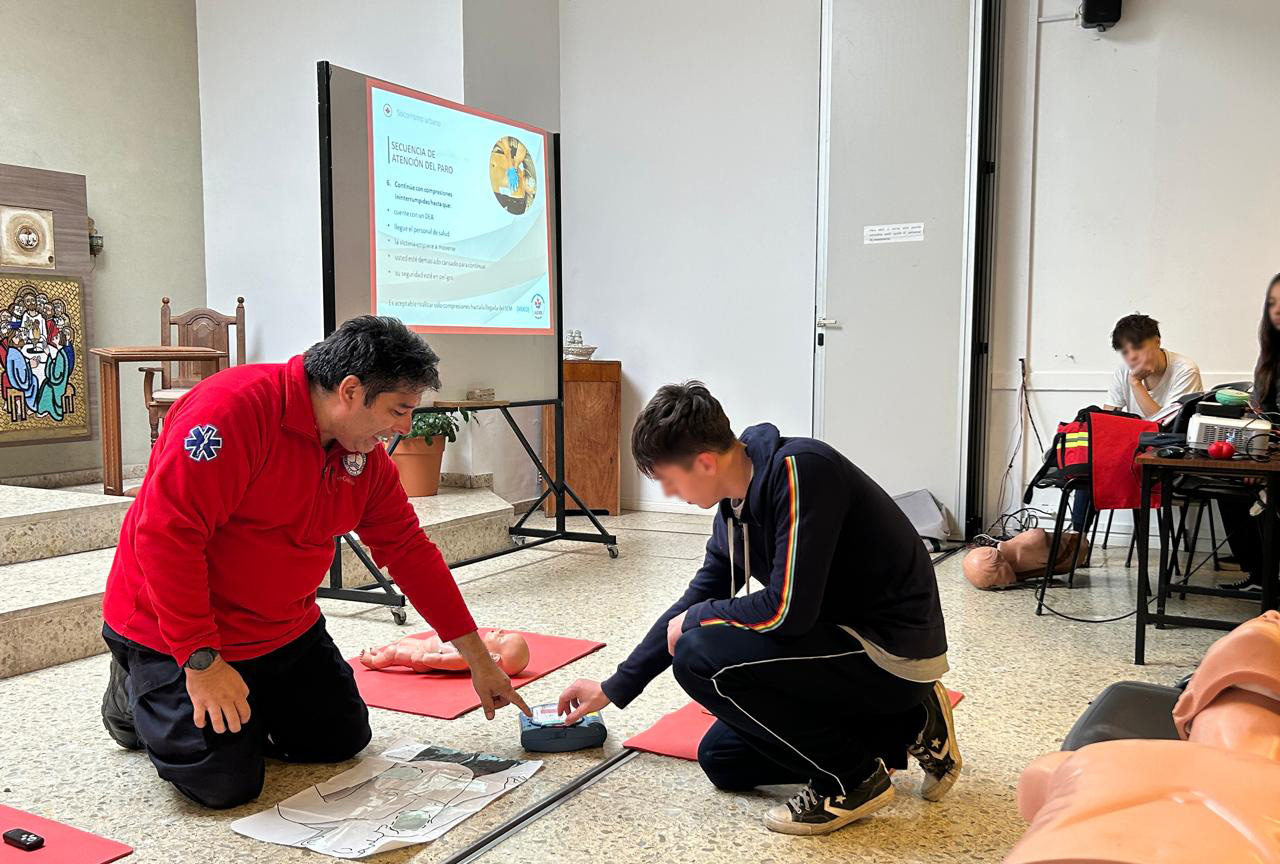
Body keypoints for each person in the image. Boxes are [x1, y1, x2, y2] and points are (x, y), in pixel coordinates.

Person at [99, 315, 530, 809]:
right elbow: (167, 536)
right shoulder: (230, 413)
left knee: (339, 739)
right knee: (224, 784)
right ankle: (132, 695)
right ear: (349, 390)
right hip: (177, 632)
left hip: (281, 629)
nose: (404, 427)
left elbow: (410, 552)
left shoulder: (362, 457)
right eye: (398, 410)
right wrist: (200, 660)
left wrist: (479, 660)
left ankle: (239, 702)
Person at [558, 382, 958, 836]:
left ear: (705, 462)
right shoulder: (732, 510)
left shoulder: (802, 472)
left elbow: (788, 612)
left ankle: (853, 778)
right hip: (836, 649)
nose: (670, 493)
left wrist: (698, 618)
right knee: (722, 760)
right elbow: (692, 599)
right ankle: (911, 722)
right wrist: (615, 686)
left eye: (669, 479)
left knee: (699, 655)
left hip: (890, 653)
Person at [1072, 313, 1204, 530]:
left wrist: (1136, 383)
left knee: (1100, 462)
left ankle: (1076, 541)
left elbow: (1164, 426)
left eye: (1138, 347)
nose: (1132, 357)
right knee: (1092, 461)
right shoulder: (1123, 372)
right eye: (1125, 352)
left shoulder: (1184, 369)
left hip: (1169, 453)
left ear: (1157, 341)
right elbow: (1105, 422)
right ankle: (1077, 541)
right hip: (1133, 452)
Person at [1216, 272, 1280, 593]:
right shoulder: (1268, 359)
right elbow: (1259, 412)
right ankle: (1258, 573)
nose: (1277, 310)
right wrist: (1255, 456)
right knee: (1226, 486)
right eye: (1272, 303)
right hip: (1268, 450)